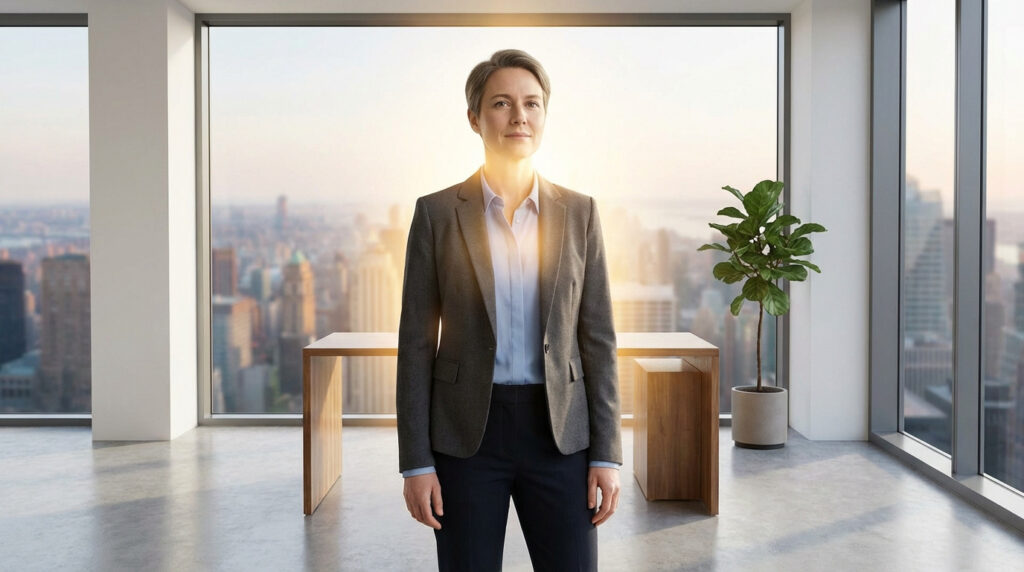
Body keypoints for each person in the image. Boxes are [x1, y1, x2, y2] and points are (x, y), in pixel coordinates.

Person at [396, 48, 622, 572]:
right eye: (501, 103)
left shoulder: (580, 212)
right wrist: (416, 463)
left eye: (532, 103)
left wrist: (606, 454)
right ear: (475, 118)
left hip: (560, 434)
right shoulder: (436, 214)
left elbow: (599, 339)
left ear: (545, 115)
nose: (519, 115)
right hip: (465, 437)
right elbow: (414, 344)